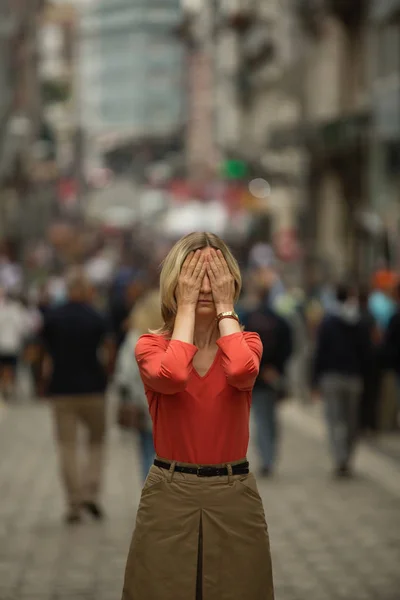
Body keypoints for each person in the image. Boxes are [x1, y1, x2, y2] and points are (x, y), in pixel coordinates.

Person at [121, 232, 274, 600]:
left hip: (233, 491)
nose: (204, 286)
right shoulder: (150, 345)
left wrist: (225, 309)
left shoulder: (247, 343)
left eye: (214, 276)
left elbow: (240, 371)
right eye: (193, 276)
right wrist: (186, 308)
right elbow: (173, 376)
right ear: (174, 282)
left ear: (231, 282)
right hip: (170, 491)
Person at [41, 269, 115, 524]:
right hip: (93, 387)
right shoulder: (96, 316)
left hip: (62, 389)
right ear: (87, 291)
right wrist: (108, 375)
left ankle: (73, 502)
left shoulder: (53, 317)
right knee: (96, 443)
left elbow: (44, 352)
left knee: (67, 447)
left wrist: (43, 381)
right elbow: (108, 349)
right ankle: (90, 493)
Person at [312, 284, 370, 477]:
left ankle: (340, 458)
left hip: (331, 378)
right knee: (351, 421)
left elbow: (319, 352)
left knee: (335, 420)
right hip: (354, 377)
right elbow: (367, 353)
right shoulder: (360, 322)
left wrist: (315, 379)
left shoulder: (328, 322)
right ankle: (347, 457)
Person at [241, 272, 293, 477]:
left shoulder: (248, 317)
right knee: (270, 418)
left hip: (255, 375)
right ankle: (269, 456)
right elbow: (289, 346)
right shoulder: (279, 319)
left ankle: (266, 457)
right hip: (273, 375)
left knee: (262, 418)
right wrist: (276, 368)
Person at [114, 288, 163, 482]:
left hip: (144, 406)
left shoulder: (136, 339)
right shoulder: (178, 336)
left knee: (147, 453)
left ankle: (151, 497)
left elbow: (124, 374)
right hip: (174, 408)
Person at [0, 287, 31, 401]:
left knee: (5, 367)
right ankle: (7, 385)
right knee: (9, 367)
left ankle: (6, 385)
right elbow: (22, 327)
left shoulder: (13, 309)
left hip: (7, 343)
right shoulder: (16, 310)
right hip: (11, 344)